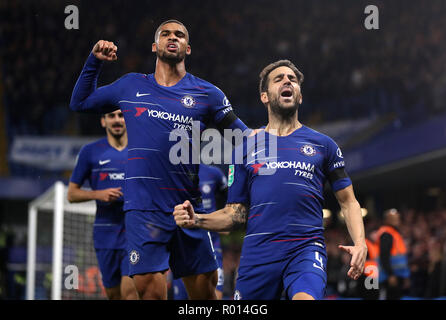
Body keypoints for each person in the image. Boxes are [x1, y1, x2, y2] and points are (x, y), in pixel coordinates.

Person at [69, 20, 248, 300]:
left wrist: (275, 146)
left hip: (188, 208)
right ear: (155, 46)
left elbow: (243, 138)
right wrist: (94, 61)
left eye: (180, 35)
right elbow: (79, 103)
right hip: (143, 209)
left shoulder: (208, 94)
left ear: (188, 48)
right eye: (166, 34)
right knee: (149, 292)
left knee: (204, 293)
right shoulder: (130, 85)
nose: (172, 37)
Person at [173, 59, 367, 300]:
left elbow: (348, 202)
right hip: (258, 255)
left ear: (300, 96)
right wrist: (197, 219)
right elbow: (236, 214)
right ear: (264, 96)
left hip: (305, 250)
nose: (287, 81)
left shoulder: (324, 145)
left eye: (293, 80)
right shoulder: (245, 148)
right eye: (279, 79)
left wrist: (361, 243)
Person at [67, 110, 137, 300]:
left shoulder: (140, 151)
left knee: (130, 293)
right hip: (105, 235)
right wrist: (99, 194)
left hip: (134, 232)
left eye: (121, 115)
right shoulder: (90, 151)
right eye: (111, 116)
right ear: (103, 121)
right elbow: (71, 194)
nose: (117, 120)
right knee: (114, 295)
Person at [172, 164, 228, 299]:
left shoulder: (214, 173)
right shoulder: (173, 173)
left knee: (214, 294)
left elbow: (230, 197)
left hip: (213, 244)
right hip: (183, 246)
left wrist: (226, 218)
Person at [375, 208, 410, 300]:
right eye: (393, 218)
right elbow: (384, 256)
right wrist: (390, 274)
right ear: (386, 220)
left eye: (398, 217)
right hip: (389, 277)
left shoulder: (395, 233)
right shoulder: (386, 234)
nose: (397, 219)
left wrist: (405, 276)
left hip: (398, 275)